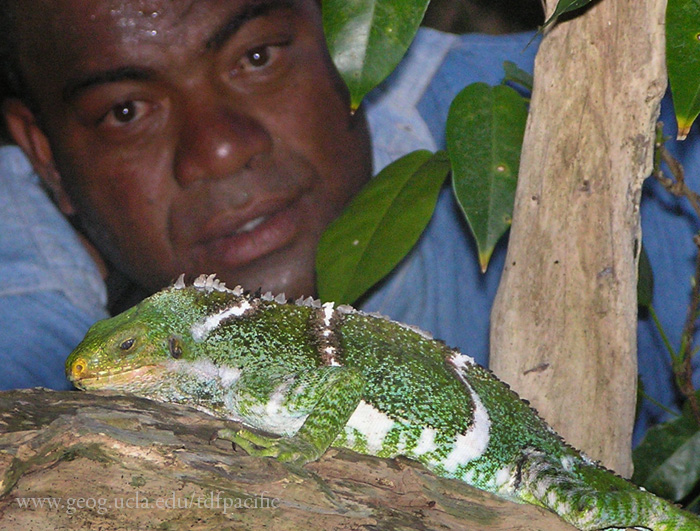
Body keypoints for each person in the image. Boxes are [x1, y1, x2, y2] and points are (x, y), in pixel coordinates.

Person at [0, 0, 696, 445]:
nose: (218, 147)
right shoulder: (23, 261)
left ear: (350, 26)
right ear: (43, 153)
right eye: (126, 111)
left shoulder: (607, 111)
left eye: (257, 55)